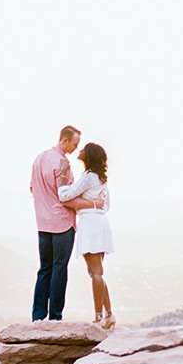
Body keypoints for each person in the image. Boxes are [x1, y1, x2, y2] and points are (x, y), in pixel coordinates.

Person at [30, 125, 98, 321]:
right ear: (65, 139)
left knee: (45, 269)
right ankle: (55, 317)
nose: (76, 149)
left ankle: (38, 316)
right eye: (74, 144)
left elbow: (33, 188)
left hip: (43, 223)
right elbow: (66, 197)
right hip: (62, 224)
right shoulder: (62, 163)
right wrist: (91, 203)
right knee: (60, 269)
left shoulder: (39, 159)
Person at [57, 142, 115, 327]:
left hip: (90, 224)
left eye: (83, 149)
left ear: (88, 155)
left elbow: (66, 195)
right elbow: (106, 205)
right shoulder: (101, 178)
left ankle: (99, 317)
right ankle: (109, 314)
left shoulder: (89, 176)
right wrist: (91, 203)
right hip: (100, 223)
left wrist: (63, 175)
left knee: (96, 272)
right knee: (96, 272)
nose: (79, 150)